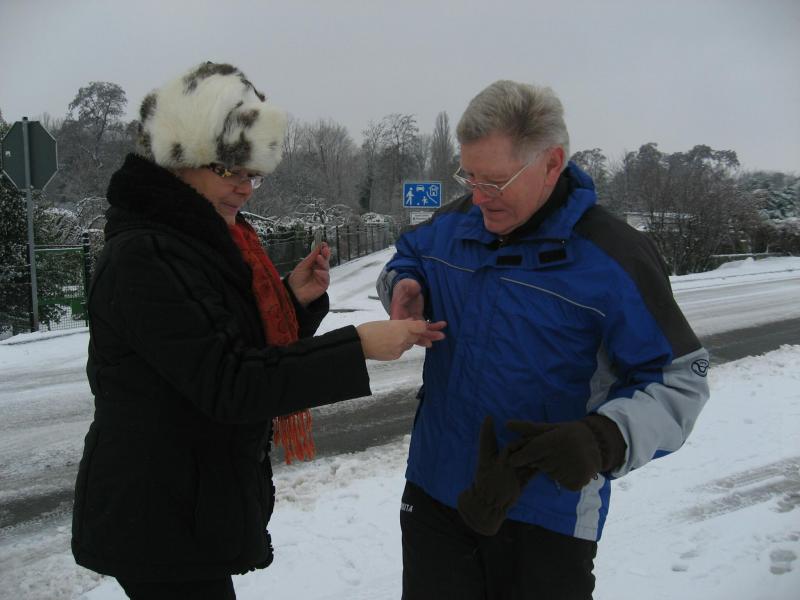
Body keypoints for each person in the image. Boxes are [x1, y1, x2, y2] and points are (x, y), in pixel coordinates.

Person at [71, 61, 445, 600]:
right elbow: (232, 381)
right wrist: (357, 346)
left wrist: (292, 299)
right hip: (155, 513)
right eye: (232, 171)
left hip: (189, 503)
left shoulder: (204, 238)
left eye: (254, 174)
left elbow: (228, 341)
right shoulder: (146, 256)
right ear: (181, 157)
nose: (246, 189)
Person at [377, 80, 710, 599]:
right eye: (469, 176)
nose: (478, 197)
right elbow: (406, 259)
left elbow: (679, 382)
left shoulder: (614, 257)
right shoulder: (452, 224)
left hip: (547, 516)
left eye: (495, 181)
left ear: (552, 163)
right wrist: (404, 285)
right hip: (434, 495)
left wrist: (604, 438)